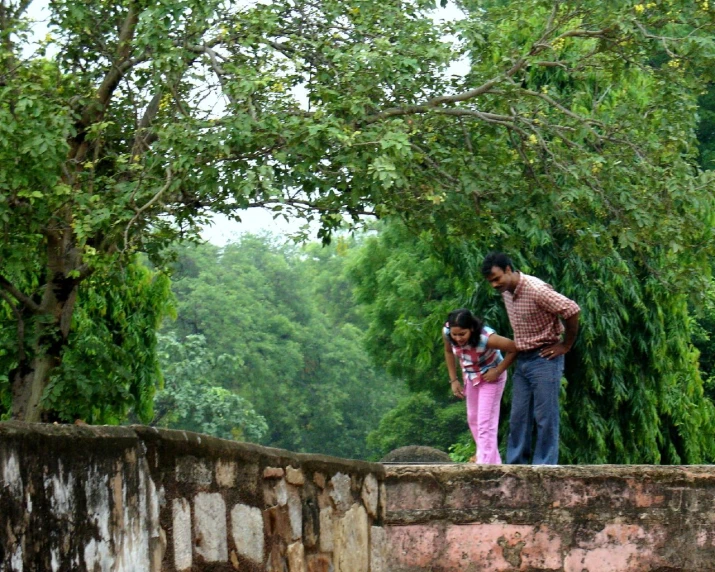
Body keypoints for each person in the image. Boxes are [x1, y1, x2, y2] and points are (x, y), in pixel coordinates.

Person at [481, 252, 580, 465]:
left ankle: (545, 466)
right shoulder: (507, 291)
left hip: (545, 357)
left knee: (545, 416)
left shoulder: (536, 290)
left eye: (497, 279)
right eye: (490, 281)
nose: (494, 285)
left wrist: (566, 345)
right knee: (518, 416)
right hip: (523, 358)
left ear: (508, 269)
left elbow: (572, 309)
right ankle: (516, 465)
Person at [443, 308, 518, 464]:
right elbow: (448, 352)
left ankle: (485, 463)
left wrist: (497, 371)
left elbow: (514, 348)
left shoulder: (486, 338)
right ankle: (491, 459)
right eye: (454, 335)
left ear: (471, 328)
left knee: (486, 422)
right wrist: (454, 380)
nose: (458, 338)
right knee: (473, 419)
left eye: (462, 334)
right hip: (471, 376)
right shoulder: (447, 332)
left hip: (491, 378)